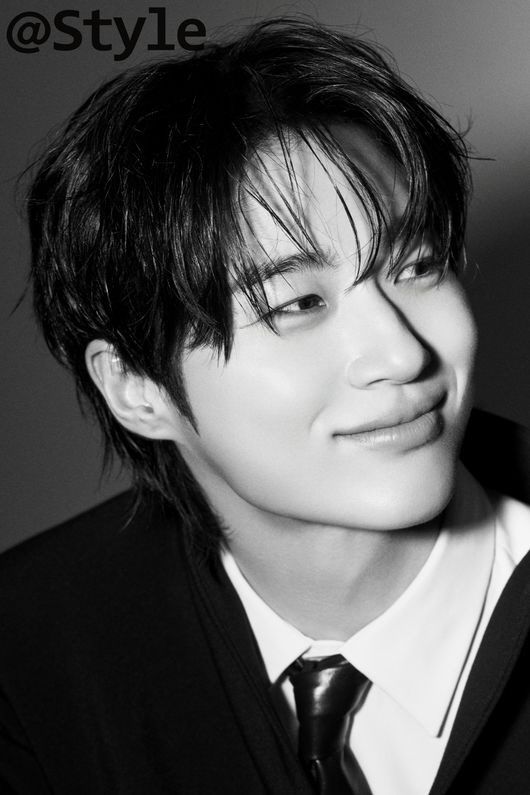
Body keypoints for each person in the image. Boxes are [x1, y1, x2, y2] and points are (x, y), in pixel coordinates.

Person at [1, 17, 530, 795]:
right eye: (297, 303)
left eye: (416, 265)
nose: (401, 353)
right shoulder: (34, 650)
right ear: (137, 386)